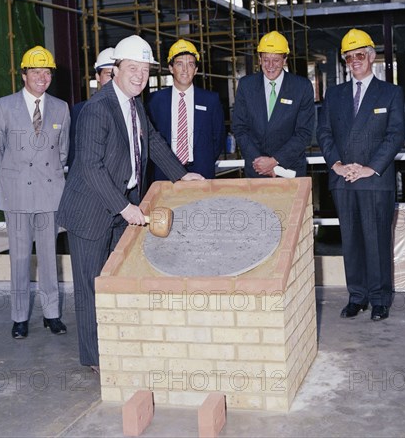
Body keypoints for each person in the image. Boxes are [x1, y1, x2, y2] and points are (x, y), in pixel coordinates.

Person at [57, 35, 204, 373]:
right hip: (91, 212)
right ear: (117, 69)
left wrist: (180, 176)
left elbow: (151, 139)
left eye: (145, 70)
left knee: (118, 281)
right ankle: (95, 359)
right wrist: (125, 208)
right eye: (132, 68)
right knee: (91, 285)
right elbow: (91, 167)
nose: (139, 75)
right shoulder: (98, 109)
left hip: (121, 207)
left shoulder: (135, 102)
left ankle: (116, 344)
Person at [316, 29, 405, 321]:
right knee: (351, 241)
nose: (354, 61)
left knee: (377, 240)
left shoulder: (390, 92)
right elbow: (324, 132)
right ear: (344, 61)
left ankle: (379, 299)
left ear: (371, 56)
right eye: (349, 57)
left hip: (374, 180)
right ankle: (357, 297)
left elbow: (395, 136)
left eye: (359, 55)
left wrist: (369, 168)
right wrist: (338, 165)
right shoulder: (335, 94)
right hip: (343, 179)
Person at [0, 45, 70, 339]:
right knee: (20, 259)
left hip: (49, 195)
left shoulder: (61, 108)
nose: (42, 77)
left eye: (46, 72)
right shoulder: (3, 106)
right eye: (35, 71)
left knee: (49, 258)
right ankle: (20, 317)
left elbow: (62, 152)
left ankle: (52, 314)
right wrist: (14, 177)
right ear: (24, 74)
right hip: (18, 194)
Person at [231, 31, 314, 178]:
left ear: (285, 59)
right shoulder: (246, 85)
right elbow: (239, 128)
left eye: (275, 60)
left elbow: (304, 133)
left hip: (289, 169)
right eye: (266, 59)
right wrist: (260, 162)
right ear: (259, 59)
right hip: (256, 169)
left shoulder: (302, 87)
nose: (270, 65)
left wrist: (275, 161)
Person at [146, 39, 225, 180]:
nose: (185, 69)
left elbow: (218, 138)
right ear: (171, 68)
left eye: (190, 64)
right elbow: (151, 140)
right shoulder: (155, 101)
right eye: (179, 64)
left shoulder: (210, 100)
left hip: (201, 173)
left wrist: (204, 161)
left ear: (196, 70)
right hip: (165, 173)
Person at [67, 47, 115, 168]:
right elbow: (74, 154)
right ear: (98, 77)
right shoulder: (79, 111)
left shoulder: (133, 110)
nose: (114, 80)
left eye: (117, 74)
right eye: (109, 74)